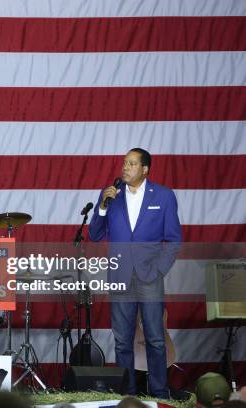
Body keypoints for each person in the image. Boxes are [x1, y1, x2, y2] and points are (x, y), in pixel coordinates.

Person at [89, 148, 182, 398]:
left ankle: (160, 394)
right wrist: (102, 207)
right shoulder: (110, 195)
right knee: (122, 341)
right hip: (120, 278)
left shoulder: (163, 196)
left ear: (144, 169)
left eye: (131, 163)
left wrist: (158, 270)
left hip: (150, 278)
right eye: (124, 163)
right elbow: (94, 235)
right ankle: (127, 397)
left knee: (155, 338)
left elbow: (174, 240)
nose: (125, 167)